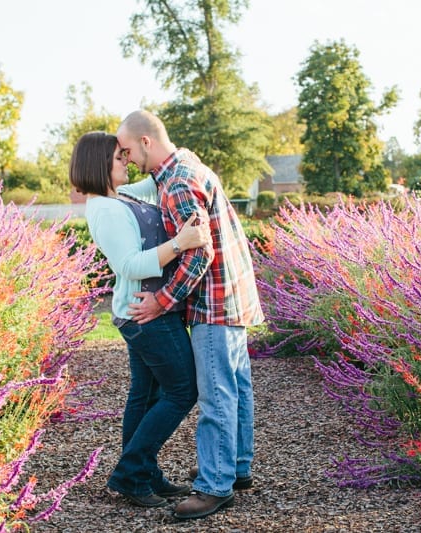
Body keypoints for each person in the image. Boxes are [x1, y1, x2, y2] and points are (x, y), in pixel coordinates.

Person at [116, 110, 265, 520]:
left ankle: (214, 487)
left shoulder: (179, 182)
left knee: (216, 394)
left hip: (213, 303)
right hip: (232, 297)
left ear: (146, 141)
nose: (126, 160)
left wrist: (161, 301)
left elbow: (198, 254)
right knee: (235, 387)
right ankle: (235, 468)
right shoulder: (187, 166)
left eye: (127, 150)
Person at [69, 131, 211, 508]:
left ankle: (143, 475)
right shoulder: (104, 208)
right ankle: (131, 472)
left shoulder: (121, 196)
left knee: (145, 395)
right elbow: (130, 264)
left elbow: (155, 179)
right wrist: (183, 241)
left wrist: (178, 155)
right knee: (183, 390)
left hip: (143, 310)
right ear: (99, 163)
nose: (126, 161)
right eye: (119, 157)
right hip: (146, 312)